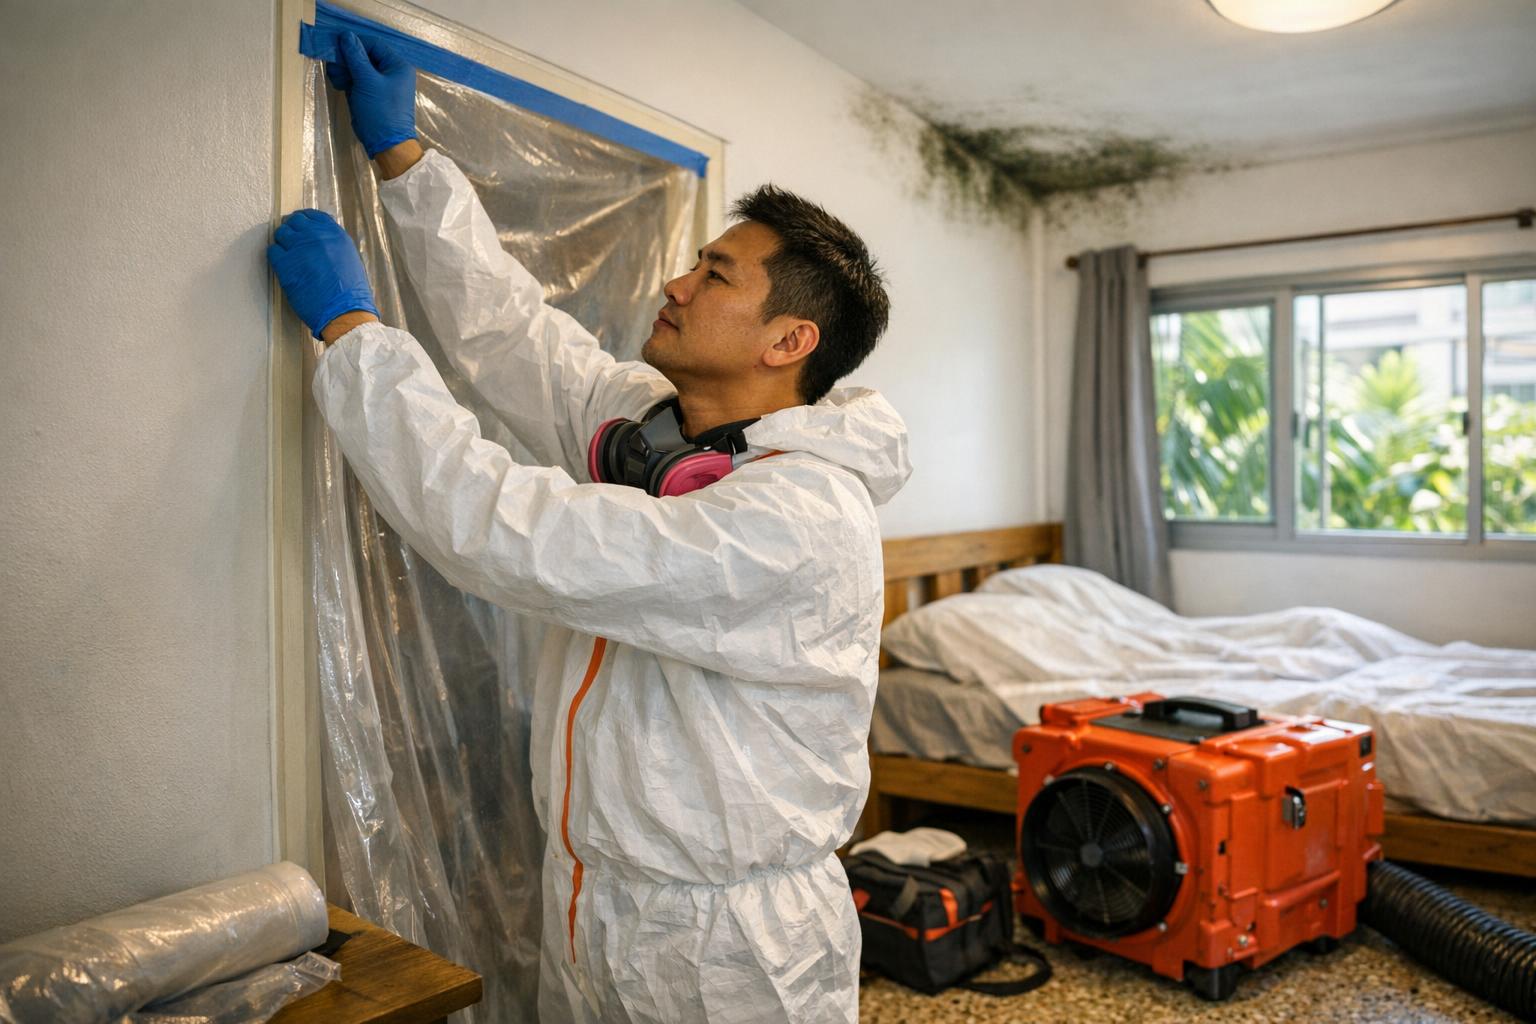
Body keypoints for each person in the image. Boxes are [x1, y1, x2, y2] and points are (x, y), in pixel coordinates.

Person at [268, 32, 910, 1024]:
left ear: (790, 341)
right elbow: (517, 338)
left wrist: (355, 337)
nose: (677, 285)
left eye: (717, 276)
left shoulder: (792, 520)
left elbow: (512, 531)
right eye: (694, 263)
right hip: (599, 903)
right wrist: (406, 162)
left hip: (728, 951)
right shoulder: (667, 436)